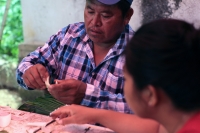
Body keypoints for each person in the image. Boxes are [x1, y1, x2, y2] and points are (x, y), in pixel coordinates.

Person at [50, 19, 200, 133]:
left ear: (150, 95)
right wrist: (94, 114)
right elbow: (155, 128)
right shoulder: (176, 119)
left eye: (127, 78)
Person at [16, 0, 134, 113]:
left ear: (127, 16)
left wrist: (87, 96)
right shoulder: (69, 35)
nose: (94, 22)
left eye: (105, 15)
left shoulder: (140, 52)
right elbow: (28, 63)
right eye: (90, 11)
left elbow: (145, 110)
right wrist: (29, 72)